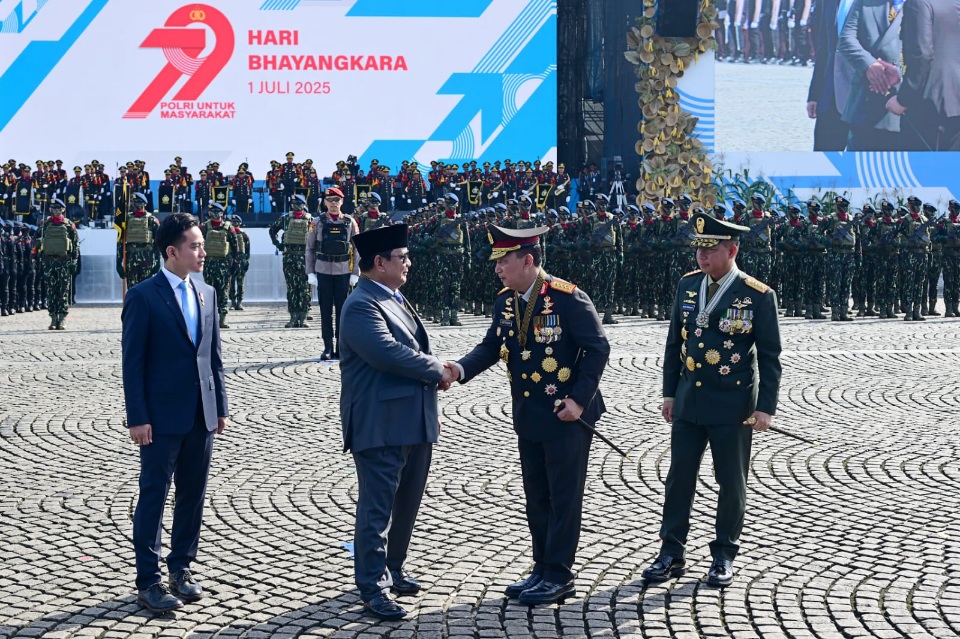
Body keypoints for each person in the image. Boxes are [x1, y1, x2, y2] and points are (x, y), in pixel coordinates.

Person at [446, 225, 610, 606]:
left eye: (504, 261)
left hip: (567, 415)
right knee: (537, 495)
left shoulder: (568, 298)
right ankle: (541, 566)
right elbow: (491, 346)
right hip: (529, 414)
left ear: (528, 260)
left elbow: (598, 348)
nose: (498, 269)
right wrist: (459, 370)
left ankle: (560, 574)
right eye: (498, 262)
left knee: (564, 495)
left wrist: (579, 401)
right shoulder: (507, 300)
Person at [643, 212, 782, 588]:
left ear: (732, 250)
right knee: (679, 479)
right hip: (689, 401)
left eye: (711, 250)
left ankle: (724, 553)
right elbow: (675, 342)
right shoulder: (688, 286)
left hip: (732, 406)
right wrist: (670, 393)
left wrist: (764, 407)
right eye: (699, 250)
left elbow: (770, 357)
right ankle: (671, 551)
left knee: (731, 481)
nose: (702, 258)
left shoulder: (757, 294)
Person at [338, 224, 452, 621]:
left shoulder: (393, 296)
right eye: (401, 257)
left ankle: (394, 566)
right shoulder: (361, 304)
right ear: (378, 262)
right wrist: (437, 368)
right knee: (378, 508)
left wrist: (434, 371)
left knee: (407, 503)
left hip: (413, 420)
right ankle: (373, 585)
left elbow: (410, 347)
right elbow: (387, 353)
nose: (407, 263)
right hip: (380, 423)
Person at [121, 213, 229, 613]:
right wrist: (138, 417)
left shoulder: (208, 294)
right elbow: (132, 363)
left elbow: (214, 358)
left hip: (201, 414)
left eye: (201, 244)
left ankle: (180, 568)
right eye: (195, 246)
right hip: (160, 418)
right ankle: (148, 579)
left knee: (192, 495)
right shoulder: (144, 296)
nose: (203, 252)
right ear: (172, 252)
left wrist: (220, 407)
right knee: (154, 495)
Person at [885, 0, 960, 151]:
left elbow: (921, 55)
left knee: (923, 171)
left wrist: (903, 100)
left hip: (929, 106)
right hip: (954, 103)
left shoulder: (917, 3)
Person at [837, 0, 903, 150]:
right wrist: (869, 64)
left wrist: (898, 73)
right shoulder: (866, 2)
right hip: (865, 102)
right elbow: (846, 39)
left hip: (902, 101)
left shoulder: (927, 4)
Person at [306, 187, 360, 359]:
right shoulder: (317, 222)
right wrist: (310, 272)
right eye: (330, 201)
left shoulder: (350, 222)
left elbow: (358, 249)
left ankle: (341, 347)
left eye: (337, 201)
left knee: (343, 311)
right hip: (323, 271)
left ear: (342, 202)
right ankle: (328, 347)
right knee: (325, 311)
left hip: (343, 271)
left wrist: (355, 272)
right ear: (325, 202)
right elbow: (310, 248)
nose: (334, 204)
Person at [806, 0, 854, 150]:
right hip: (830, 94)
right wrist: (815, 94)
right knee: (824, 161)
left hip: (866, 94)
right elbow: (824, 48)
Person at [38, 198, 79, 330]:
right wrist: (39, 243)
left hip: (63, 263)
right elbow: (36, 240)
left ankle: (62, 318)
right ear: (50, 209)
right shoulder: (45, 224)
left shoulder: (69, 225)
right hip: (49, 262)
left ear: (63, 209)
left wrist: (74, 261)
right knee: (51, 291)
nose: (56, 211)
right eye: (53, 208)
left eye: (58, 208)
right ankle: (53, 318)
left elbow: (75, 244)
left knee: (63, 291)